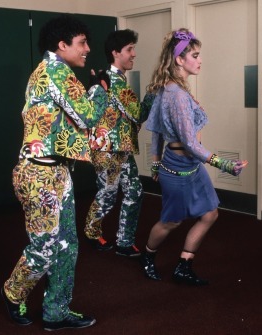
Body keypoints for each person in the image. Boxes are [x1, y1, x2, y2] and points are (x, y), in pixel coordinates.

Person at [1, 15, 110, 331]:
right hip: (40, 176)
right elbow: (88, 116)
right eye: (81, 43)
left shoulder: (53, 70)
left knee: (67, 245)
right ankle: (13, 291)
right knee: (45, 249)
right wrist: (100, 88)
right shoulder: (55, 72)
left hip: (56, 172)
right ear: (62, 45)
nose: (87, 49)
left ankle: (55, 311)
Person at [141, 28, 248, 286]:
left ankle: (183, 265)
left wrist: (154, 162)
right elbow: (188, 142)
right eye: (195, 55)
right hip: (178, 166)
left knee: (210, 213)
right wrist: (223, 164)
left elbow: (156, 131)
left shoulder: (174, 88)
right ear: (180, 59)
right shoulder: (175, 95)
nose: (200, 60)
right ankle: (147, 257)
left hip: (191, 166)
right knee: (171, 222)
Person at [84, 29, 154, 257]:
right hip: (107, 149)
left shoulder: (115, 79)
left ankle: (124, 241)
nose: (134, 54)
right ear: (116, 53)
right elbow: (138, 113)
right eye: (129, 50)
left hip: (122, 148)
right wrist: (154, 91)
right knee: (108, 195)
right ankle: (92, 233)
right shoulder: (113, 80)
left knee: (134, 191)